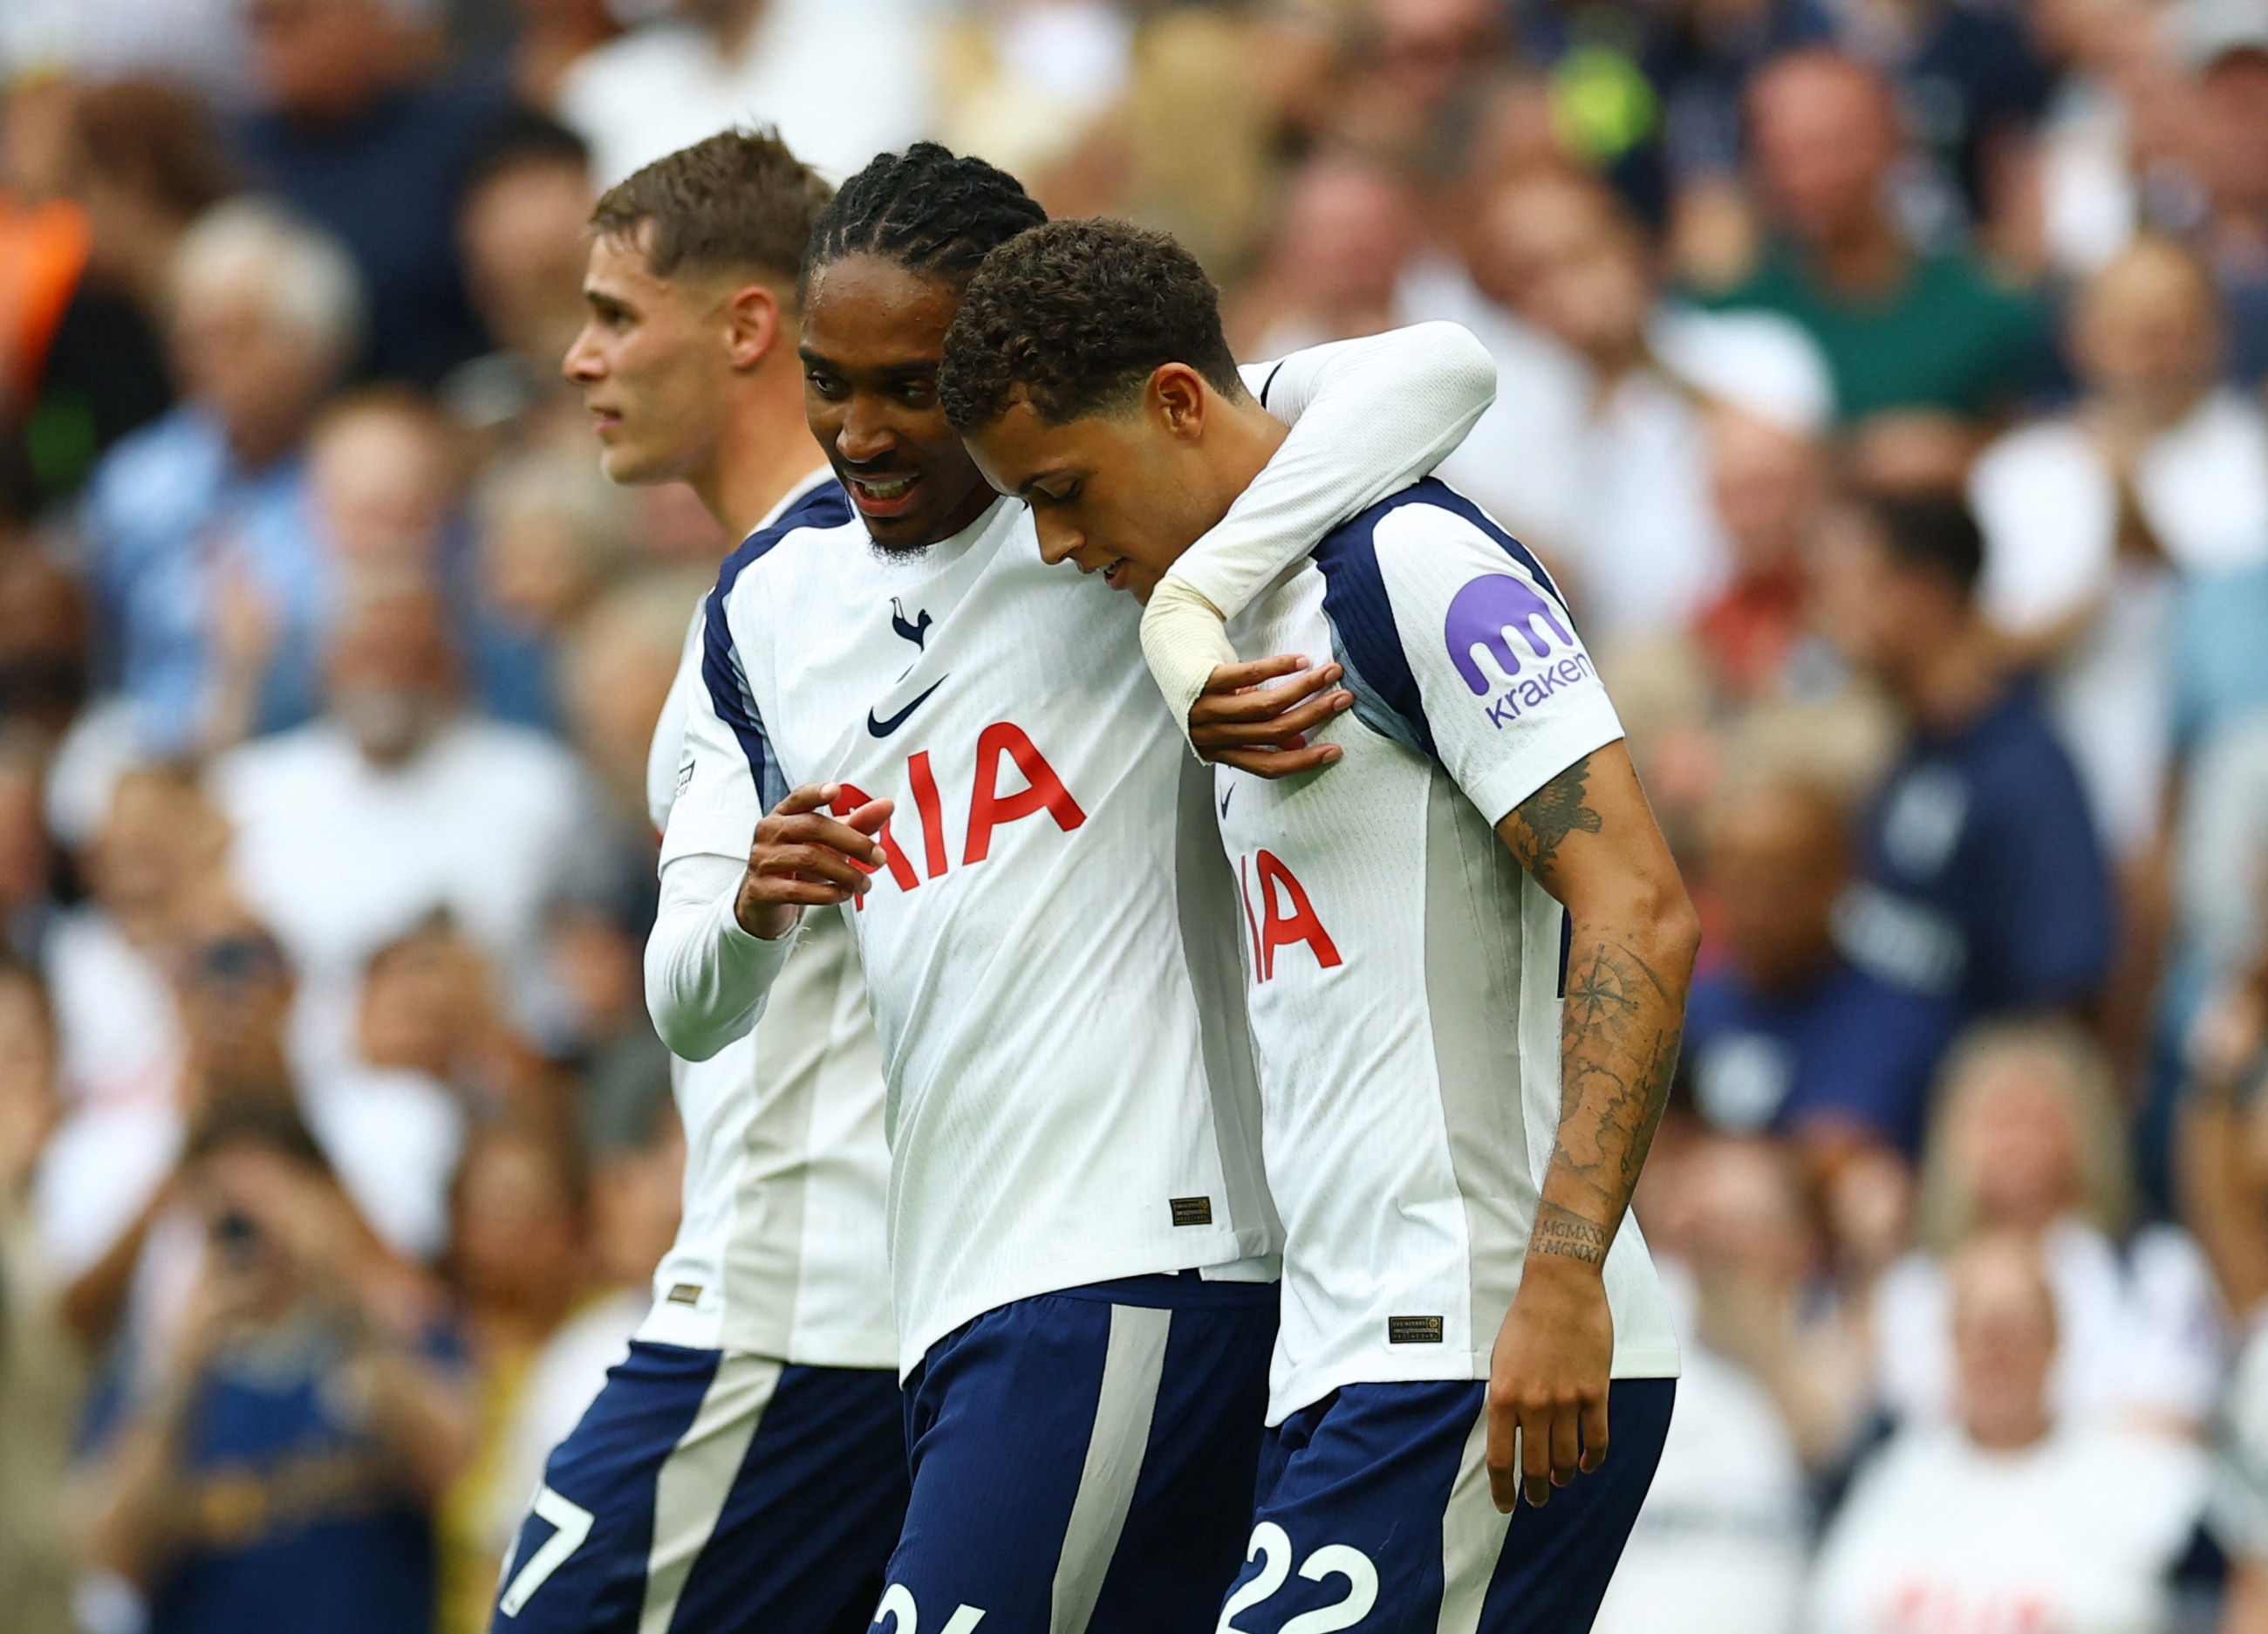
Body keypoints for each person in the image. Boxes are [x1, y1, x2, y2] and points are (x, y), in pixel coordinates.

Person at [646, 142, 1496, 1629]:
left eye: (911, 384)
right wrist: (750, 909)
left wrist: (1190, 609)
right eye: (830, 381)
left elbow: (1442, 368)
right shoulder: (774, 606)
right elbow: (695, 1008)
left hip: (1149, 1259)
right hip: (959, 1295)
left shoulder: (1104, 518)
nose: (860, 432)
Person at [939, 214, 1693, 1630]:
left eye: (1061, 486)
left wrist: (1559, 1273)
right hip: (1348, 1352)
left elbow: (1638, 904)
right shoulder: (1237, 623)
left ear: (1174, 401)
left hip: (1478, 1341)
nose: (1050, 540)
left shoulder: (1408, 562)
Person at [497, 128, 905, 1633]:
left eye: (613, 313)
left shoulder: (830, 591)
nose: (575, 358)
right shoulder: (797, 590)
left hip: (788, 1309)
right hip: (871, 1305)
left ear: (749, 328)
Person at [77, 1097, 476, 1634]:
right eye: (222, 1202)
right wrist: (182, 1373)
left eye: (269, 1194)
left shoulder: (397, 1332)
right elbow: (115, 1555)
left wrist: (343, 1299)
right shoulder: (153, 1365)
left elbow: (452, 1470)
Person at [1811, 489, 2114, 1036]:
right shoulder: (1911, 751)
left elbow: (2064, 994)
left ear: (1923, 593)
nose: (1831, 615)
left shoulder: (2027, 771)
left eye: (1851, 587)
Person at [1806, 1233, 2208, 1634]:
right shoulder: (1895, 1477)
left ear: (2056, 1341)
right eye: (1979, 1331)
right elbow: (1837, 1610)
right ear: (1951, 1343)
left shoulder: (2135, 1479)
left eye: (2014, 1329)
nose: (1996, 1353)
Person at [77, 197, 360, 757]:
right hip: (152, 762)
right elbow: (104, 658)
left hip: (314, 767)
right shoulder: (136, 481)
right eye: (191, 337)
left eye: (233, 336)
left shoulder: (361, 474)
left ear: (315, 344)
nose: (201, 361)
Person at [1875, 1019, 2223, 1434]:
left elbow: (2178, 1413)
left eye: (2037, 1120)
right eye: (1997, 1122)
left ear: (2085, 1135)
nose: (2016, 1143)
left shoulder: (2157, 1270)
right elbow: (1918, 1427)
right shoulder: (1912, 1289)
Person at [1707, 49, 2050, 425]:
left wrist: (1968, 456)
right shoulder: (1719, 323)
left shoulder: (1986, 310)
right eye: (1779, 154)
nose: (1807, 176)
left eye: (1831, 147)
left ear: (1894, 141)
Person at [233, 0, 512, 385]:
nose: (273, 43)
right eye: (260, 25)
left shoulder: (469, 131)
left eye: (295, 20)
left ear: (370, 17)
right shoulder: (236, 160)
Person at [1683, 771, 1961, 1154]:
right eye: (1740, 883)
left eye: (1780, 886)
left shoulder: (1893, 1020)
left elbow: (1843, 1153)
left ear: (1837, 880)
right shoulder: (1687, 1010)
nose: (1758, 910)